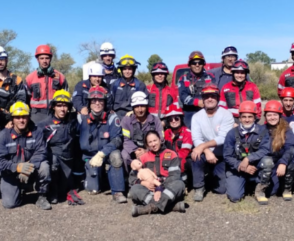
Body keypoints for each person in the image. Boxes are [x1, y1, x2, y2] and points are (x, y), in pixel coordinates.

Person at [79, 86, 127, 203]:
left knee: (116, 156)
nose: (97, 103)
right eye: (94, 100)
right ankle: (103, 179)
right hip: (90, 157)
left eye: (100, 100)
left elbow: (117, 140)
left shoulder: (112, 118)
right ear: (89, 102)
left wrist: (102, 153)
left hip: (106, 154)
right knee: (93, 190)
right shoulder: (80, 118)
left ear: (105, 102)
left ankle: (117, 192)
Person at [0, 101, 51, 210]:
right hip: (11, 173)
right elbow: (1, 161)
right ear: (12, 119)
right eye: (18, 117)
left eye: (24, 117)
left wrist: (28, 168)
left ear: (28, 117)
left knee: (44, 166)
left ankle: (42, 196)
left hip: (31, 170)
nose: (21, 120)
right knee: (9, 204)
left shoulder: (36, 132)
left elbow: (41, 151)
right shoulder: (3, 135)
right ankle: (20, 189)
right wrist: (17, 168)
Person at [38, 90, 84, 205]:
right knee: (52, 163)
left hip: (68, 162)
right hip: (53, 162)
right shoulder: (44, 124)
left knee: (64, 190)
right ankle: (49, 190)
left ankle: (61, 187)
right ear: (53, 107)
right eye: (59, 105)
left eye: (65, 106)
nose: (62, 109)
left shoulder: (73, 122)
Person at [190, 84, 234, 201]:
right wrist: (206, 150)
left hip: (222, 155)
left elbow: (223, 137)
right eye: (206, 96)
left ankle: (210, 176)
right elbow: (196, 138)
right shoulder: (196, 117)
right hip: (205, 153)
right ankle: (199, 187)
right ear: (203, 100)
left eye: (213, 96)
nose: (209, 99)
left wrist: (204, 145)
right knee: (196, 155)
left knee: (221, 190)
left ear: (218, 99)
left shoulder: (226, 114)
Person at [224, 101, 272, 205]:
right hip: (238, 167)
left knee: (268, 162)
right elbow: (227, 156)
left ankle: (260, 191)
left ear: (255, 117)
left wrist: (248, 159)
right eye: (244, 116)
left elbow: (265, 149)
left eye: (250, 117)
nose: (247, 120)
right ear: (239, 118)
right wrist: (242, 167)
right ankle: (244, 184)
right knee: (235, 197)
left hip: (256, 166)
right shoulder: (232, 133)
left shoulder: (263, 131)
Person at [129, 130, 185, 217]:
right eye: (150, 142)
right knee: (134, 189)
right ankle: (170, 206)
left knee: (180, 184)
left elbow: (175, 176)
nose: (153, 144)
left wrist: (160, 188)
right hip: (149, 190)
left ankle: (148, 208)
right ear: (147, 145)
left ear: (160, 139)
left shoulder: (172, 154)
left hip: (167, 188)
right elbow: (132, 179)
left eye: (155, 140)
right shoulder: (143, 158)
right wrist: (144, 183)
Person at [25, 45, 68, 124]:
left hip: (55, 114)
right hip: (36, 115)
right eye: (41, 58)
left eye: (47, 58)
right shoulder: (29, 78)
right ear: (37, 60)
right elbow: (25, 100)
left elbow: (66, 98)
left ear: (50, 59)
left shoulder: (60, 77)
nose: (44, 61)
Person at [121, 91, 163, 172]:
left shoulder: (155, 120)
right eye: (137, 106)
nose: (140, 110)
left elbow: (161, 138)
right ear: (133, 107)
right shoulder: (126, 120)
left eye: (142, 106)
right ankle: (131, 175)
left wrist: (147, 150)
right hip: (133, 150)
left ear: (147, 106)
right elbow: (126, 140)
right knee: (124, 154)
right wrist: (136, 150)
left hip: (152, 149)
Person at [263, 100, 294, 201]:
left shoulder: (287, 129)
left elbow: (290, 148)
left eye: (275, 115)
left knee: (291, 158)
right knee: (271, 192)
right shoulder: (261, 129)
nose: (272, 117)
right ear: (265, 117)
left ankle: (287, 188)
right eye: (269, 115)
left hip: (282, 161)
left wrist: (283, 163)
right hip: (269, 162)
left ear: (280, 116)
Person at [178, 51, 216, 128]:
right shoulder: (183, 78)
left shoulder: (210, 77)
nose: (197, 65)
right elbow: (183, 96)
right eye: (194, 63)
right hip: (190, 113)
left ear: (203, 64)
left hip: (208, 112)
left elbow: (215, 93)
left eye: (200, 62)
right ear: (190, 64)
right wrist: (196, 102)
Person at [111, 55, 148, 120]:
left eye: (130, 69)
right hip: (116, 116)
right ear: (121, 70)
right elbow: (109, 101)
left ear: (133, 70)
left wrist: (134, 111)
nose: (127, 71)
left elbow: (146, 103)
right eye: (125, 69)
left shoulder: (140, 85)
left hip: (134, 116)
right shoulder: (115, 84)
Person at [0, 46, 28, 130]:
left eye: (2, 59)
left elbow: (22, 103)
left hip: (11, 123)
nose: (0, 62)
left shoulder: (17, 80)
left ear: (7, 60)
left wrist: (12, 121)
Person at [164, 102, 193, 181]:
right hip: (170, 158)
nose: (173, 121)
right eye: (170, 119)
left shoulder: (187, 133)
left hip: (183, 160)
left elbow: (183, 154)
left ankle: (184, 178)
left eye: (176, 118)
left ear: (181, 119)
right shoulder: (166, 133)